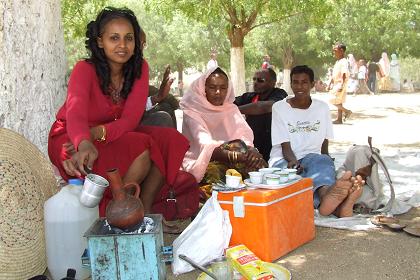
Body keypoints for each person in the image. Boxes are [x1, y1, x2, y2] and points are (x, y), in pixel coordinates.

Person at [47, 7, 189, 222]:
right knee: (143, 145)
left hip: (109, 133)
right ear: (100, 41)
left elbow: (130, 121)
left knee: (170, 139)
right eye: (114, 38)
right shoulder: (84, 69)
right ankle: (118, 210)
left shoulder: (139, 68)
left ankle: (143, 210)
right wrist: (84, 141)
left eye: (128, 38)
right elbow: (75, 114)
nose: (122, 45)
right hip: (73, 136)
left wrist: (96, 134)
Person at [270, 65, 364, 217]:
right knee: (296, 181)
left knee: (321, 167)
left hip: (312, 156)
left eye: (304, 82)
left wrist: (326, 160)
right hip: (284, 159)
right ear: (291, 84)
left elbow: (324, 141)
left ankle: (328, 196)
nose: (299, 87)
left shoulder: (322, 108)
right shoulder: (279, 108)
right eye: (295, 82)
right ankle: (336, 207)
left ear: (312, 84)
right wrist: (294, 162)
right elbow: (284, 146)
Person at [180, 66, 267, 185]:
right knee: (218, 172)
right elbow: (205, 145)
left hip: (235, 156)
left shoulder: (230, 109)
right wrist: (237, 156)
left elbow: (244, 136)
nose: (218, 93)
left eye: (223, 88)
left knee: (258, 163)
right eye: (212, 87)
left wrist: (252, 152)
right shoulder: (192, 110)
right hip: (202, 160)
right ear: (203, 88)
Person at [234, 68, 288, 161]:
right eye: (254, 79)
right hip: (253, 147)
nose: (255, 83)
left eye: (260, 80)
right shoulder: (249, 96)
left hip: (272, 147)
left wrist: (233, 111)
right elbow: (228, 103)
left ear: (273, 82)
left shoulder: (279, 94)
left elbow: (263, 107)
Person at [140, 30, 179, 128]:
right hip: (114, 125)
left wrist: (158, 97)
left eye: (143, 44)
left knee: (166, 108)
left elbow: (139, 97)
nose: (140, 48)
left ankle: (176, 142)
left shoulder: (140, 65)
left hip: (135, 116)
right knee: (164, 116)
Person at [328, 43, 352, 124]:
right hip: (336, 83)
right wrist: (330, 83)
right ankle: (339, 119)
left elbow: (344, 73)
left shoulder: (344, 61)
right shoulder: (338, 61)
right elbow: (334, 74)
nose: (334, 53)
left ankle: (347, 111)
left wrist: (341, 85)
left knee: (331, 99)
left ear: (341, 51)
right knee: (338, 101)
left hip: (340, 83)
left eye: (335, 50)